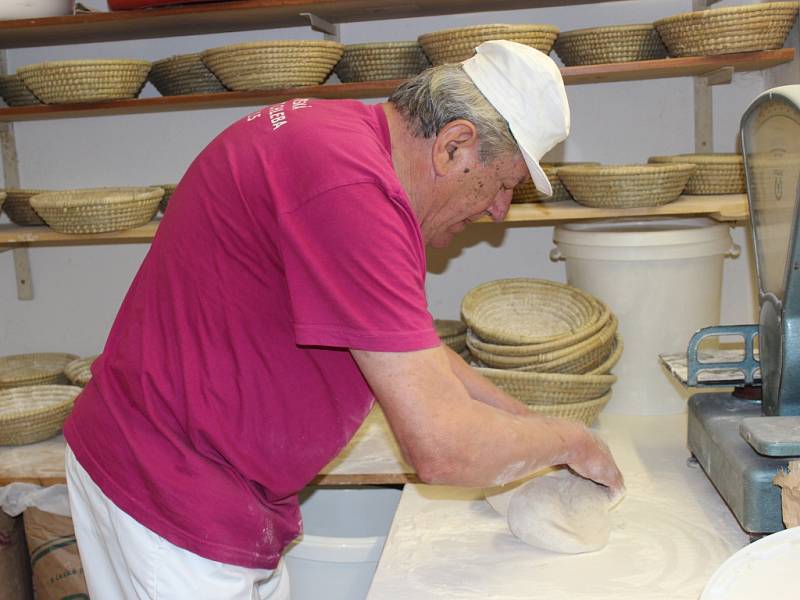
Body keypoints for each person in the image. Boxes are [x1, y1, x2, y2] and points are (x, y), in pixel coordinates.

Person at [64, 40, 624, 599]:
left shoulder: (345, 145)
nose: (499, 209)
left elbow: (417, 354)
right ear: (455, 145)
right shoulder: (353, 191)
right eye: (504, 184)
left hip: (205, 478)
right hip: (172, 493)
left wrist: (525, 423)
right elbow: (442, 447)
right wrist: (568, 442)